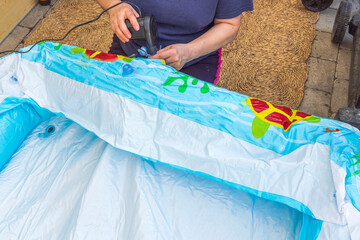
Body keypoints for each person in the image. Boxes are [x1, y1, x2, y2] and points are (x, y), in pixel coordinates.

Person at [96, 0, 253, 84]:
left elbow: (229, 24)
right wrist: (113, 6)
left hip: (194, 59)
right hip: (130, 45)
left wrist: (189, 52)